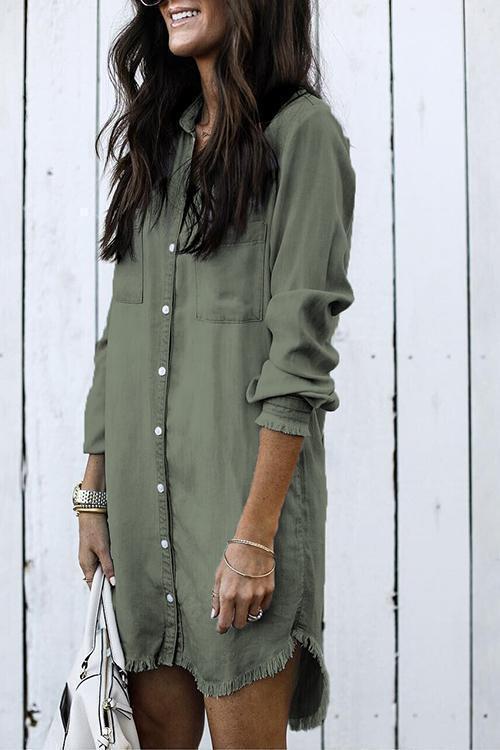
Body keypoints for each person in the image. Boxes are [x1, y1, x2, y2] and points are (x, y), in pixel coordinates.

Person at [75, 0, 356, 746]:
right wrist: (93, 491)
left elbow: (300, 357)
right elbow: (122, 330)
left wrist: (255, 537)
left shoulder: (303, 137)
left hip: (240, 524)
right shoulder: (158, 142)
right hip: (141, 526)